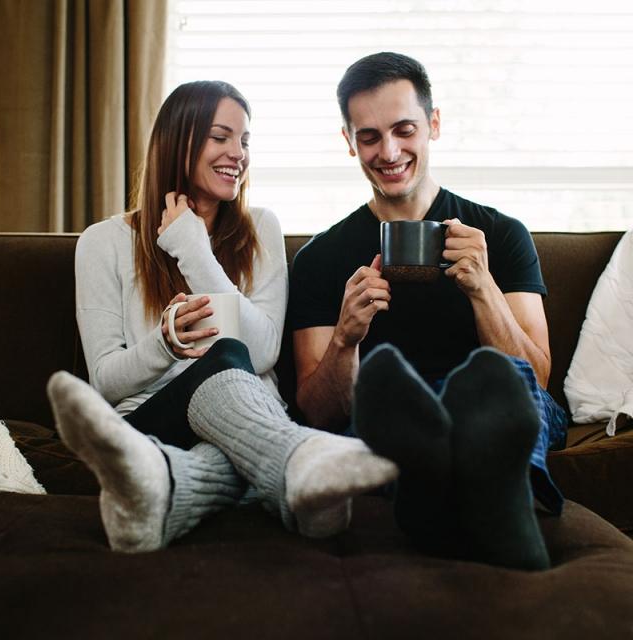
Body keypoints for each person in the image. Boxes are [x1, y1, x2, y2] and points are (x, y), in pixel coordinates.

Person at [46, 80, 397, 553]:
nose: (238, 153)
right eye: (220, 137)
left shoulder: (261, 230)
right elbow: (106, 382)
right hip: (151, 423)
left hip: (241, 426)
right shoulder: (102, 243)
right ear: (178, 141)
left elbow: (263, 351)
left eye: (245, 140)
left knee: (232, 365)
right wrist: (164, 345)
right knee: (226, 351)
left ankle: (168, 483)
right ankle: (297, 460)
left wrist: (193, 250)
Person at [288, 52, 568, 570]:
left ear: (433, 125)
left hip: (491, 408)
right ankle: (489, 504)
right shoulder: (320, 259)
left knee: (507, 391)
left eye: (404, 129)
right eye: (369, 136)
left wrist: (483, 288)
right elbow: (317, 412)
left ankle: (433, 487)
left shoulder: (500, 235)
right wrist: (347, 337)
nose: (388, 151)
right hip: (393, 413)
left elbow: (539, 377)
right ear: (349, 141)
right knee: (384, 413)